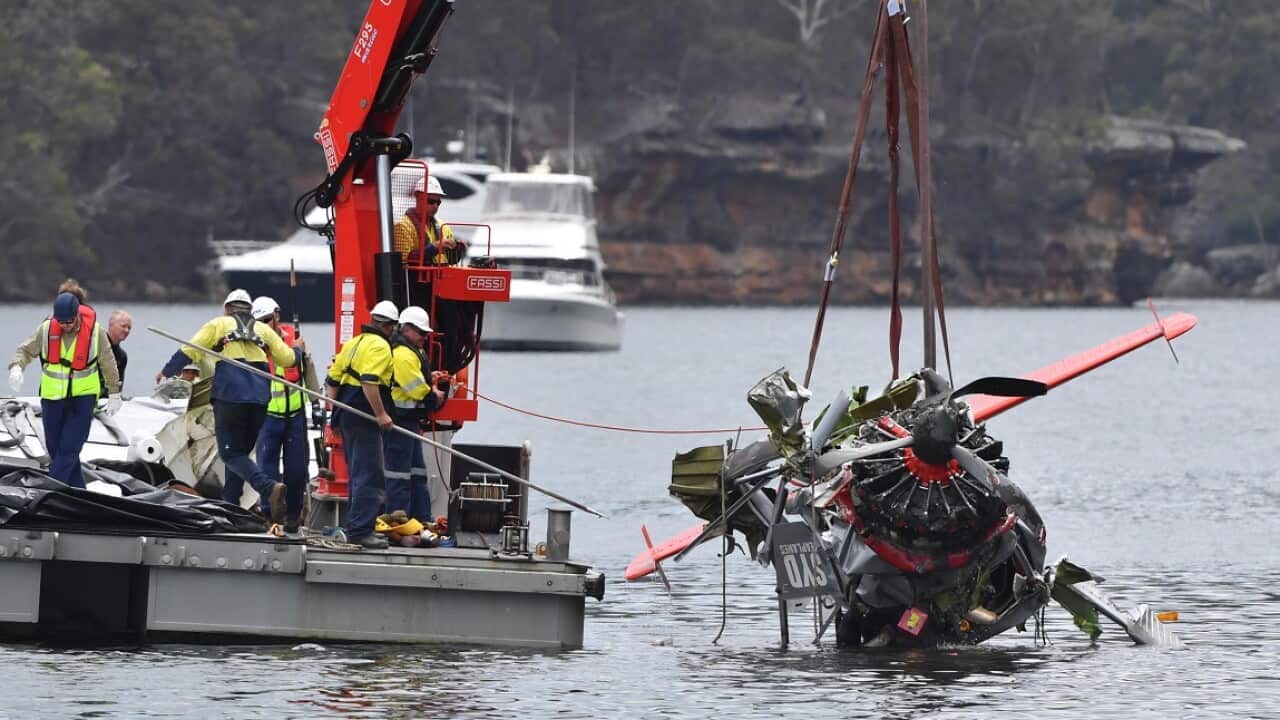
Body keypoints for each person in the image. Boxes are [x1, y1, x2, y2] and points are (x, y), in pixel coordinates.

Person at [157, 289, 301, 522]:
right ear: (249, 309)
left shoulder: (218, 324)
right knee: (240, 454)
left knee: (230, 453)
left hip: (231, 396)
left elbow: (189, 349)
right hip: (259, 399)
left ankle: (268, 488)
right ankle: (230, 507)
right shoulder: (264, 330)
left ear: (227, 308)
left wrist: (167, 371)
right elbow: (288, 359)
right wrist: (297, 350)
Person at [8, 289, 122, 488]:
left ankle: (47, 493)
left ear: (77, 314)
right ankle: (80, 494)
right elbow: (26, 349)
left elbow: (108, 362)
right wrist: (17, 367)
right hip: (53, 398)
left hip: (83, 399)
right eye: (61, 322)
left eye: (69, 321)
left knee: (69, 449)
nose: (65, 326)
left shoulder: (95, 333)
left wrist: (115, 392)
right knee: (55, 449)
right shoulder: (46, 329)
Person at [326, 300, 399, 549]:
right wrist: (381, 414)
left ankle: (356, 526)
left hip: (347, 413)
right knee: (370, 475)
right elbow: (369, 381)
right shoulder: (380, 346)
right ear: (389, 326)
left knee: (358, 474)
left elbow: (333, 382)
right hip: (363, 414)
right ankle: (360, 532)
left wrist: (333, 417)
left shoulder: (354, 342)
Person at [250, 296, 318, 533]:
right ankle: (269, 515)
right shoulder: (253, 344)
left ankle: (292, 516)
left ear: (277, 315)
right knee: (266, 468)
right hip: (267, 417)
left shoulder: (293, 338)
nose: (265, 324)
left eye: (268, 319)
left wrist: (315, 402)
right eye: (260, 320)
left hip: (295, 417)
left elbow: (307, 369)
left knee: (297, 470)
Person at [384, 305, 447, 523]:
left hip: (409, 422)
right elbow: (415, 388)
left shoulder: (412, 351)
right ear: (407, 329)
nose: (424, 337)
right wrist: (434, 396)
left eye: (426, 333)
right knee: (399, 474)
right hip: (399, 422)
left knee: (417, 473)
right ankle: (397, 521)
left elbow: (417, 379)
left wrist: (432, 379)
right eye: (421, 333)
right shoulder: (402, 354)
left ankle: (421, 519)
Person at [393, 175, 464, 265]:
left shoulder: (444, 226)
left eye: (438, 202)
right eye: (431, 201)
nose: (435, 206)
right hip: (418, 278)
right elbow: (404, 261)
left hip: (443, 277)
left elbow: (451, 260)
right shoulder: (403, 226)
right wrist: (434, 248)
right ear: (417, 197)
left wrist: (457, 249)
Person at [105, 309, 132, 393]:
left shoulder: (122, 356)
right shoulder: (95, 346)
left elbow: (118, 386)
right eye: (123, 326)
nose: (127, 330)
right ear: (111, 325)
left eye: (129, 328)